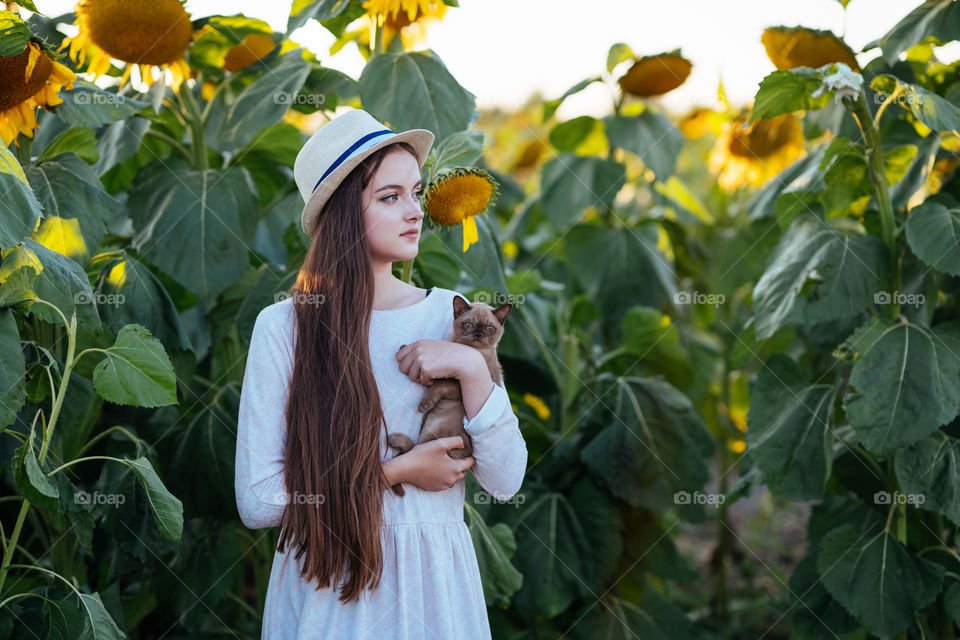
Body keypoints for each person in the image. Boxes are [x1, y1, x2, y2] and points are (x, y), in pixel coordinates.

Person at [234, 108, 528, 639]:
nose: (415, 211)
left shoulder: (456, 319)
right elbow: (259, 501)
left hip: (435, 594)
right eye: (389, 197)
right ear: (344, 213)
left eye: (415, 192)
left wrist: (468, 364)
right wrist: (398, 471)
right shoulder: (284, 326)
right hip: (331, 593)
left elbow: (506, 481)